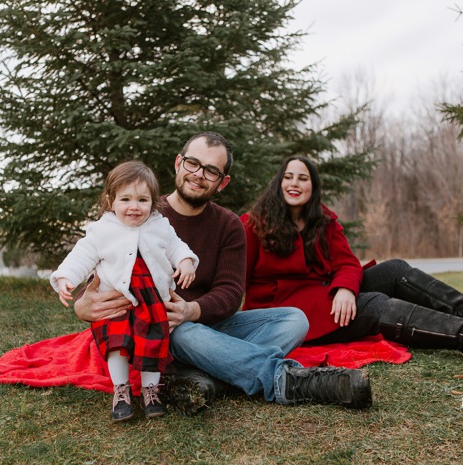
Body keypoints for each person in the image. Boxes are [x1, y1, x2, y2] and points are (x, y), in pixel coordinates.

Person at [73, 132, 373, 411]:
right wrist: (83, 304)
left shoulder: (229, 224)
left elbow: (231, 293)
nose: (199, 175)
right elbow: (104, 275)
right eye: (193, 163)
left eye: (211, 171)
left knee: (294, 319)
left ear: (222, 182)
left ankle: (210, 375)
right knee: (184, 335)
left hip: (206, 322)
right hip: (159, 329)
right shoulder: (140, 213)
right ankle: (286, 380)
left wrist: (191, 309)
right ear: (179, 163)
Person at [241, 156, 463, 360]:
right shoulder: (253, 224)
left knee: (394, 269)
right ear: (278, 184)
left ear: (312, 186)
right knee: (373, 304)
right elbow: (235, 281)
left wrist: (344, 288)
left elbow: (346, 263)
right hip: (296, 314)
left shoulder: (324, 220)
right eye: (288, 177)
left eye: (303, 178)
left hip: (331, 295)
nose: (295, 183)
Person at [50, 160, 199, 421]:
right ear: (111, 200)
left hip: (151, 299)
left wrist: (186, 262)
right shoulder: (102, 230)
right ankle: (121, 390)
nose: (134, 207)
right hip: (116, 300)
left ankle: (151, 390)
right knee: (117, 343)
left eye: (142, 200)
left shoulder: (160, 226)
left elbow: (177, 247)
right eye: (126, 199)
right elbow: (82, 256)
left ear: (153, 201)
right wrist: (65, 277)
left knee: (152, 342)